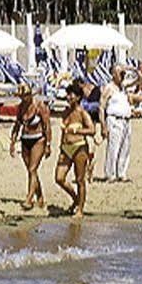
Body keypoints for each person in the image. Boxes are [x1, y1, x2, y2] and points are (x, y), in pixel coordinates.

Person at [53, 83, 96, 216]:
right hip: (66, 148)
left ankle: (80, 209)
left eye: (71, 94)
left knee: (79, 179)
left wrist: (77, 130)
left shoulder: (82, 112)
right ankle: (76, 199)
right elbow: (64, 132)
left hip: (79, 147)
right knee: (59, 178)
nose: (68, 97)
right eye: (68, 94)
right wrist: (61, 147)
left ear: (78, 97)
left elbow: (92, 130)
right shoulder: (65, 112)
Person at [10, 84, 51, 209]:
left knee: (32, 169)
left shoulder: (40, 106)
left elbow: (47, 126)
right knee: (31, 170)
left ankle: (29, 198)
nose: (24, 99)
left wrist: (48, 144)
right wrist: (12, 141)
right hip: (25, 139)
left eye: (26, 96)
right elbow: (17, 125)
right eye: (22, 97)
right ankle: (40, 196)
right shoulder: (21, 107)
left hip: (38, 139)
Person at [99, 67, 135, 182]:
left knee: (125, 147)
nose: (122, 75)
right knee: (113, 147)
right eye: (120, 73)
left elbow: (140, 79)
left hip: (126, 119)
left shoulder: (124, 88)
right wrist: (103, 125)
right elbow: (101, 107)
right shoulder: (109, 88)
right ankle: (110, 174)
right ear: (114, 74)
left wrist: (131, 68)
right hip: (114, 119)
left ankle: (121, 172)